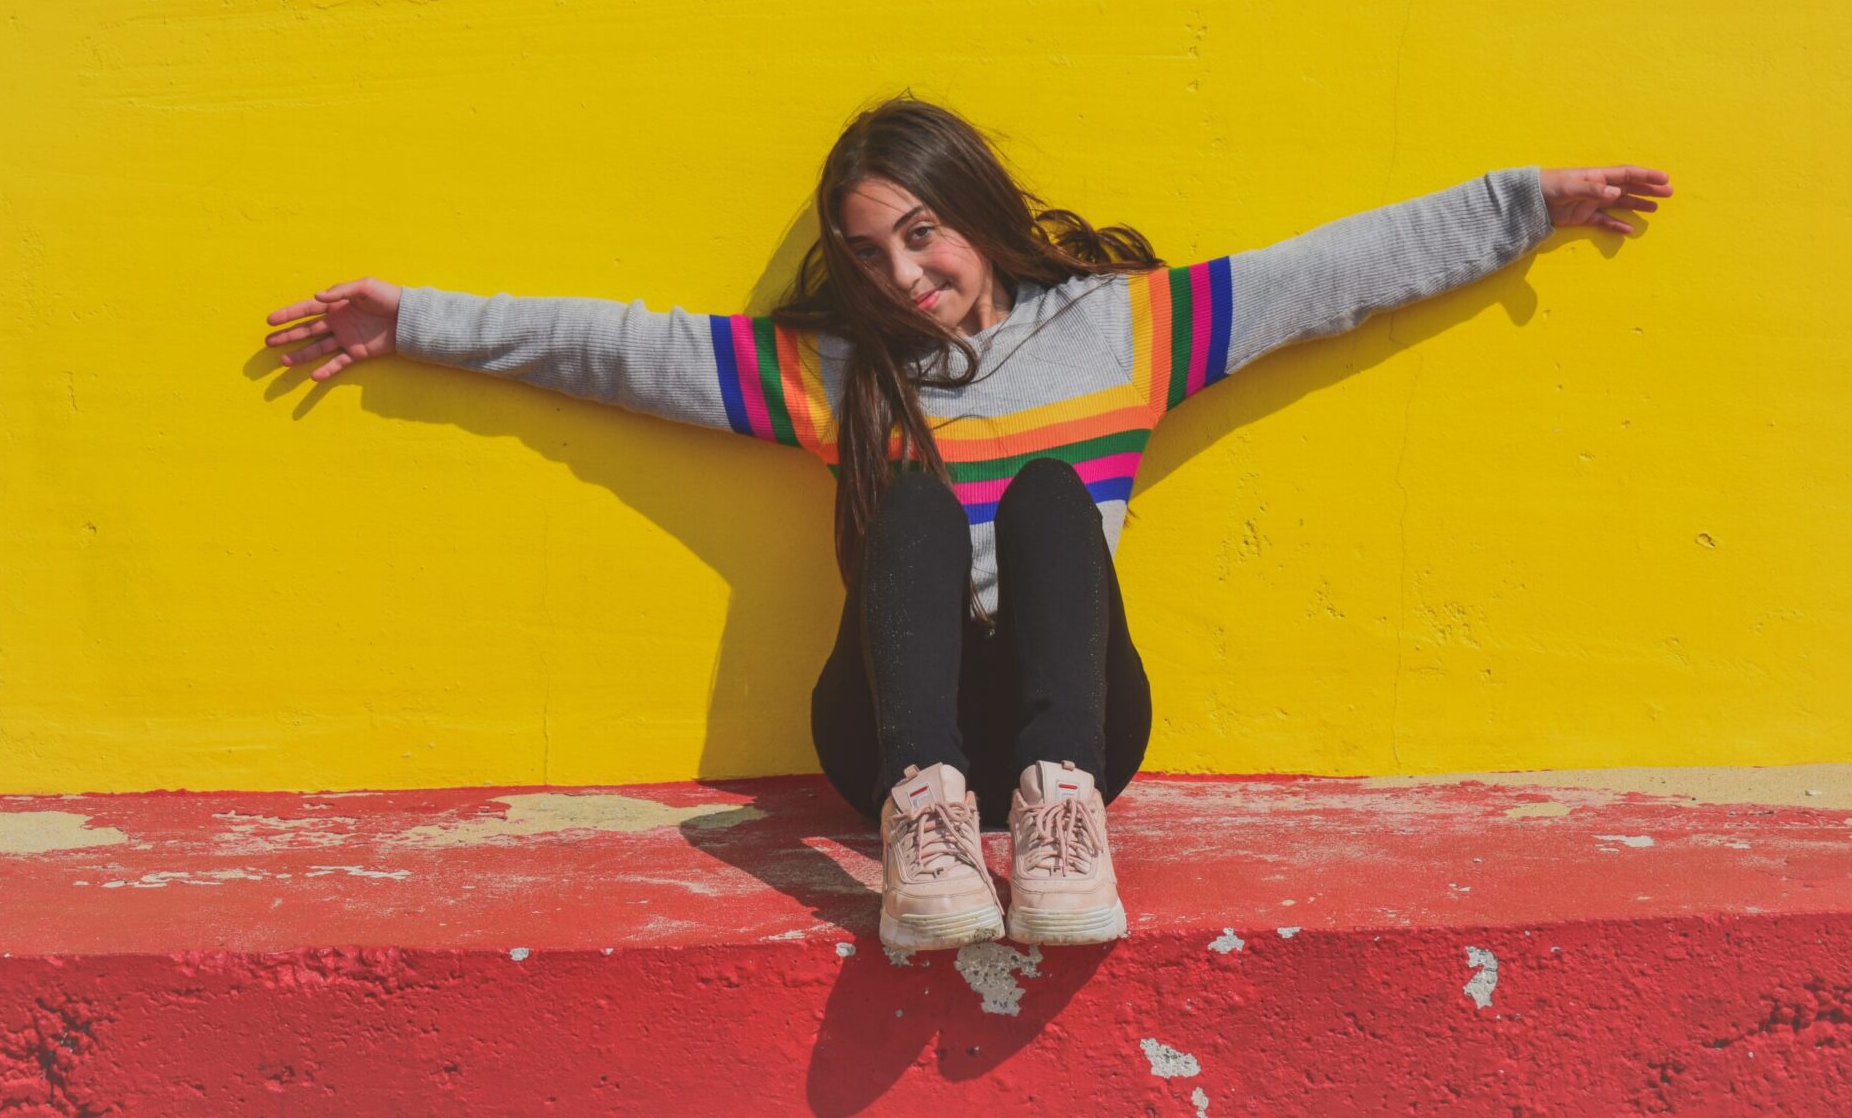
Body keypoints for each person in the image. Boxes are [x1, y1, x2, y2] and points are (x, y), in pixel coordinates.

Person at [265, 91, 1671, 951]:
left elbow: (1330, 273)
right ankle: (928, 830)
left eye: (921, 232)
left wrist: (1523, 206)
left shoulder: (1128, 330)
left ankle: (1058, 821)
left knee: (1060, 500)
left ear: (975, 211)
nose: (905, 273)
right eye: (870, 255)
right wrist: (420, 322)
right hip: (890, 744)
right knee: (918, 501)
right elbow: (620, 349)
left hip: (1075, 737)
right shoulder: (842, 376)